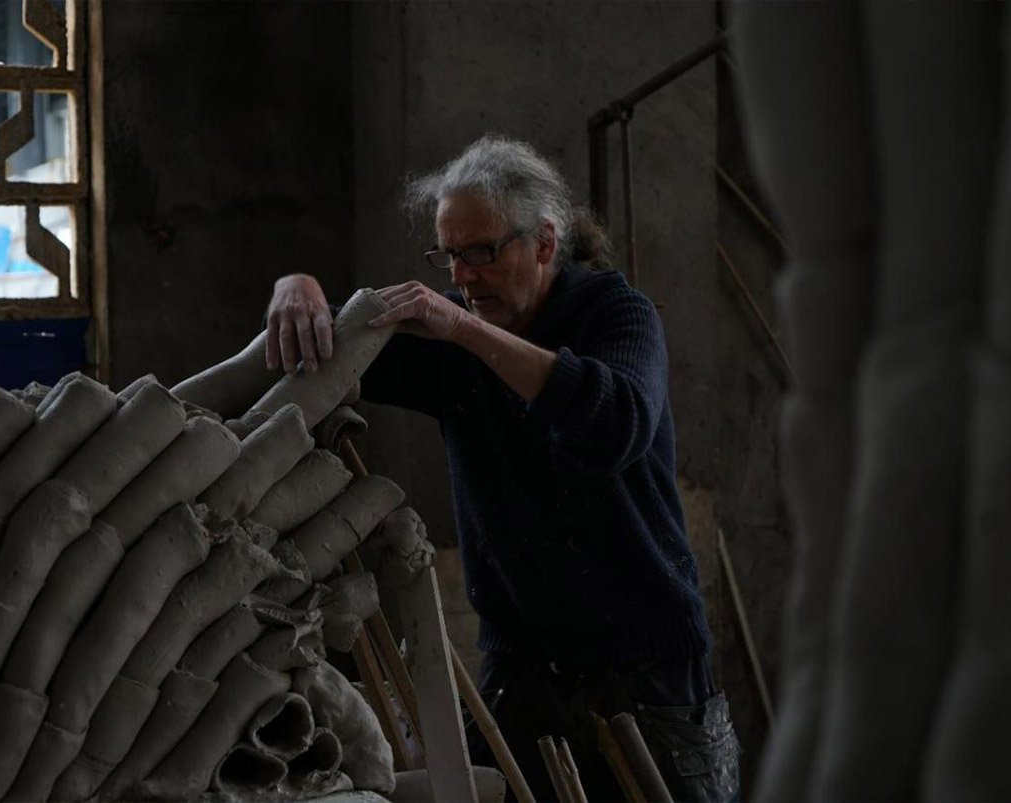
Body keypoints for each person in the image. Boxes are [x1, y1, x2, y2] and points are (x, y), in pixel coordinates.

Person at [265, 134, 739, 802]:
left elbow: (613, 425)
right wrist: (297, 287)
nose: (461, 278)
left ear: (544, 242)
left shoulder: (617, 314)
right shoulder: (455, 331)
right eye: (449, 255)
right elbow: (325, 342)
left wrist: (466, 332)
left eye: (482, 252)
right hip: (524, 675)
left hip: (646, 675)